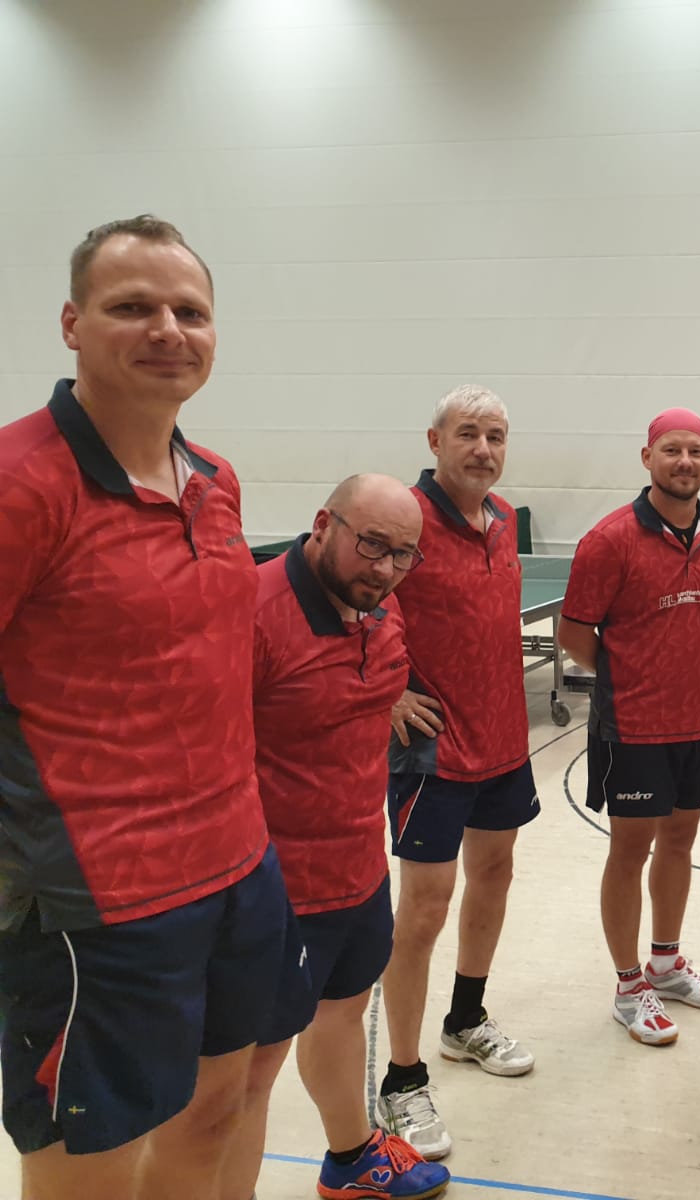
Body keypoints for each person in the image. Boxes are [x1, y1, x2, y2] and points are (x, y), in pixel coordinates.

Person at [0, 215, 303, 1199]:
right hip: (95, 903)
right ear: (72, 324)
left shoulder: (215, 481)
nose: (168, 329)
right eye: (133, 306)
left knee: (216, 1113)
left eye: (190, 312)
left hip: (238, 868)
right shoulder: (19, 484)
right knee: (90, 1166)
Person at [224, 476, 448, 1200]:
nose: (384, 568)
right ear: (324, 523)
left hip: (359, 868)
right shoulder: (252, 612)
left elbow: (362, 684)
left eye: (403, 554)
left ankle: (351, 1159)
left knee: (344, 1013)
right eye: (371, 544)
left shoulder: (378, 605)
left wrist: (391, 697)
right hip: (274, 889)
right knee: (248, 1075)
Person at [377, 385, 538, 1159]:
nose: (483, 448)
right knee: (424, 909)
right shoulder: (402, 520)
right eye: (468, 433)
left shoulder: (501, 518)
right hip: (433, 750)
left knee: (495, 875)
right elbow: (355, 602)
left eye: (496, 435)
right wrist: (389, 691)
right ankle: (401, 1078)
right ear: (435, 440)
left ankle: (465, 1020)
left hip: (503, 739)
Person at [557, 408, 700, 1047]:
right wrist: (629, 672)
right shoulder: (609, 540)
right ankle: (628, 985)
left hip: (698, 721)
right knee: (630, 850)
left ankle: (666, 966)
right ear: (648, 458)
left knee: (681, 843)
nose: (684, 461)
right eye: (671, 450)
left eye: (695, 451)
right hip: (632, 727)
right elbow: (574, 633)